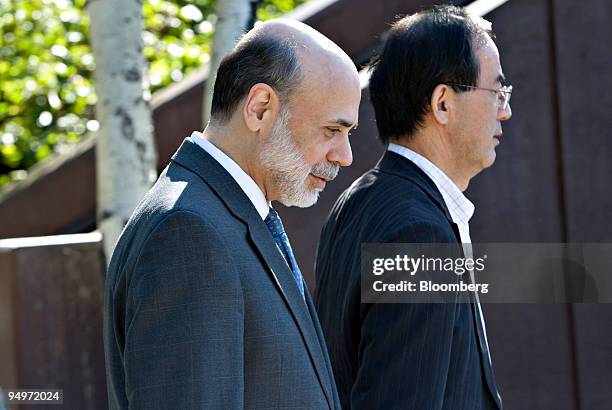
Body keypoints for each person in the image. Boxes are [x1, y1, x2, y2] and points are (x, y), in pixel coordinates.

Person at [104, 19, 360, 409]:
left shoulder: (221, 215)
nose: (345, 156)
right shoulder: (189, 233)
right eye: (331, 130)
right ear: (260, 108)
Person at [314, 5, 512, 409]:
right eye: (497, 91)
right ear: (442, 104)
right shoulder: (420, 235)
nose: (505, 110)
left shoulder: (360, 202)